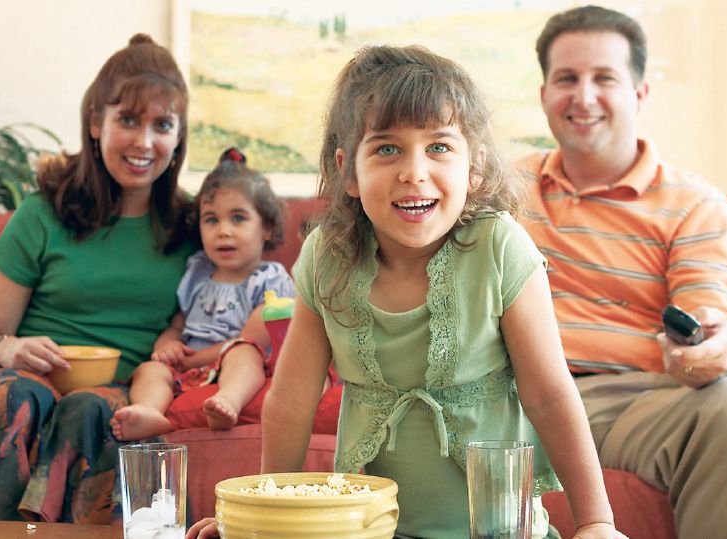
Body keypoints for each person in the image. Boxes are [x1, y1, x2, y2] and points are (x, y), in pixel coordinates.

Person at [188, 44, 625, 539]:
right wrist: (257, 517)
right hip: (368, 531)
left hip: (498, 530)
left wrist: (596, 522)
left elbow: (548, 394)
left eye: (438, 147)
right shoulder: (326, 257)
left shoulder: (499, 247)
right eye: (387, 148)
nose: (414, 171)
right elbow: (291, 400)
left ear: (474, 167)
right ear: (348, 171)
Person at [518, 5, 727, 538]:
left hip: (635, 406)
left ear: (640, 94)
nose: (583, 96)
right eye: (567, 79)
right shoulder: (499, 191)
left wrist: (709, 347)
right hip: (511, 405)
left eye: (605, 78)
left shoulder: (694, 205)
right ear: (544, 95)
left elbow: (711, 307)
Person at [0, 34, 196, 523]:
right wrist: (7, 349)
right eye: (128, 120)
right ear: (96, 121)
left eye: (162, 125)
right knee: (20, 394)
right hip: (22, 387)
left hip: (117, 392)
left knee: (90, 410)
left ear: (179, 136)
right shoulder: (41, 215)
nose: (144, 142)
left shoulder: (192, 228)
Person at [110, 147, 294, 440]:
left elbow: (251, 337)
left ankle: (228, 401)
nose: (223, 231)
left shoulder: (268, 279)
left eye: (238, 219)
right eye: (211, 220)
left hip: (232, 362)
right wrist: (167, 345)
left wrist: (191, 359)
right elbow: (178, 323)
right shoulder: (197, 273)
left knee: (244, 354)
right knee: (149, 369)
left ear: (267, 228)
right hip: (189, 370)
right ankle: (149, 411)